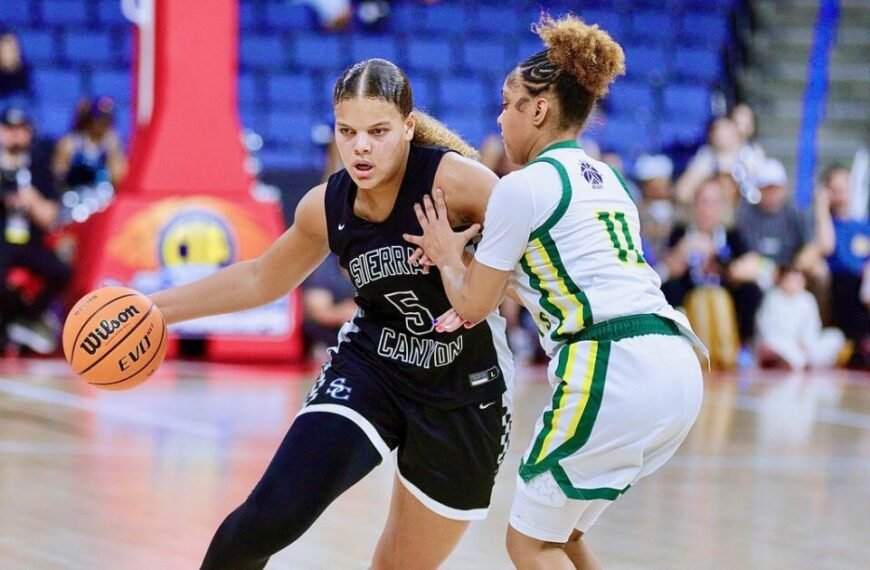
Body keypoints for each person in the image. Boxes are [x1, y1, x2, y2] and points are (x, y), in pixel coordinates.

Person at [151, 58, 514, 569]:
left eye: (378, 131)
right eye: (348, 131)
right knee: (267, 518)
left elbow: (534, 258)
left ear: (408, 127)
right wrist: (154, 309)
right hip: (373, 369)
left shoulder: (459, 184)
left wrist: (465, 258)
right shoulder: (326, 205)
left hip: (464, 388)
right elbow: (261, 278)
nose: (360, 146)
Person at [405, 15, 705, 569]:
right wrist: (474, 261)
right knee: (558, 529)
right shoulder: (610, 181)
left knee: (525, 543)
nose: (500, 117)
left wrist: (449, 257)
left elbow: (472, 307)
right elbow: (552, 282)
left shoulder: (524, 186)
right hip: (676, 363)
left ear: (538, 109)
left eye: (508, 103)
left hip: (613, 367)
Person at [0, 106, 71, 354]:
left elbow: (50, 217)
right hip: (2, 241)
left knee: (61, 271)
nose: (15, 136)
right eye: (9, 129)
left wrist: (30, 200)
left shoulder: (38, 166)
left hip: (30, 241)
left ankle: (26, 319)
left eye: (21, 130)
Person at [755, 265, 845, 370]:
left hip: (804, 346)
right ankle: (785, 360)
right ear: (782, 281)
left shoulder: (807, 299)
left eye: (797, 281)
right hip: (780, 343)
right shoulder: (773, 298)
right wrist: (791, 343)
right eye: (790, 280)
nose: (793, 284)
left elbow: (813, 326)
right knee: (772, 345)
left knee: (835, 336)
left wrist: (805, 341)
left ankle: (798, 361)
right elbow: (765, 328)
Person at [0, 31, 30, 100]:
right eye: (4, 46)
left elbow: (27, 95)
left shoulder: (24, 70)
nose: (8, 50)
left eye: (11, 46)